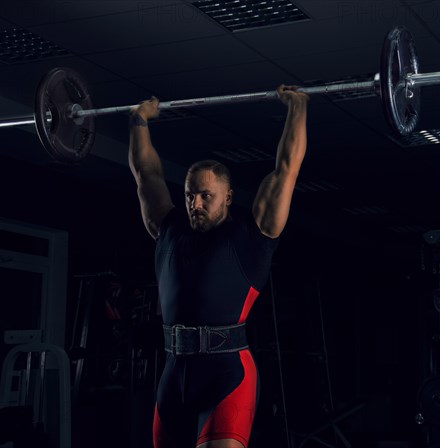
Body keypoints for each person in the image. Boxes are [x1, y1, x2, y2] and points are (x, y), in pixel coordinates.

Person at [128, 84, 309, 448]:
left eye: (206, 196)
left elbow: (286, 169)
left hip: (227, 374)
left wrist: (297, 107)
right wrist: (138, 121)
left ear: (227, 197)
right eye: (190, 195)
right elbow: (147, 175)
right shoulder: (168, 229)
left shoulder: (253, 232)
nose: (195, 203)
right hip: (174, 372)